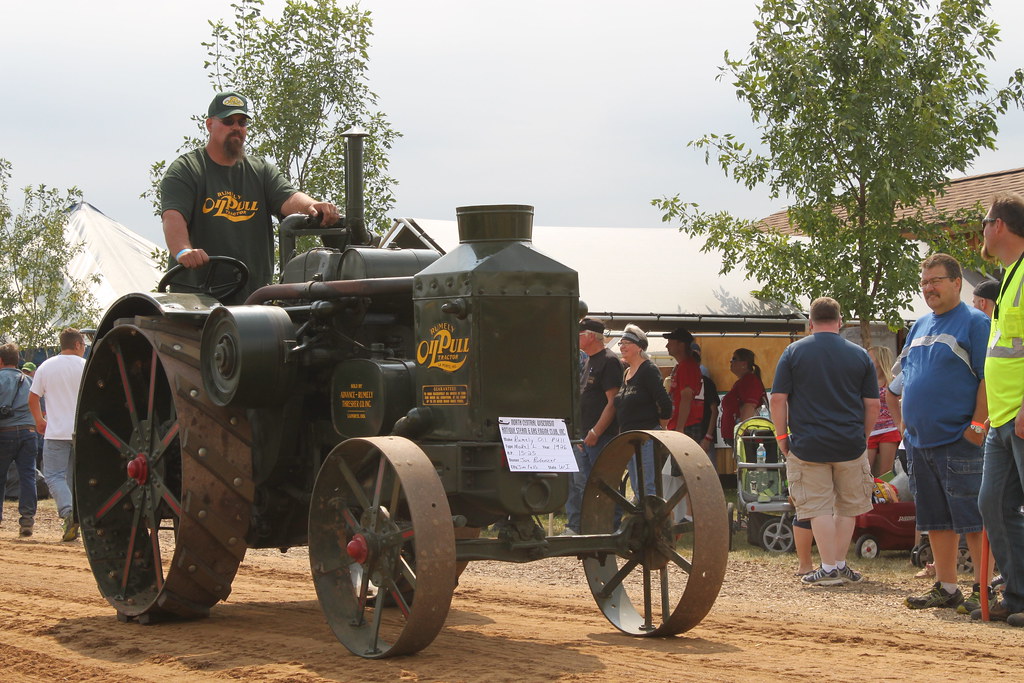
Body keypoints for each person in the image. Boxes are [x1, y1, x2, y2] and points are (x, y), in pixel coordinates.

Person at [160, 91, 340, 304]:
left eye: (242, 122)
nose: (236, 127)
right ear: (209, 125)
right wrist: (184, 251)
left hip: (252, 298)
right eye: (228, 121)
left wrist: (313, 206)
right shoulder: (187, 169)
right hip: (195, 299)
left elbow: (289, 197)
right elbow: (173, 216)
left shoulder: (260, 171)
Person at [888, 253, 990, 610]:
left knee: (973, 520)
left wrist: (977, 427)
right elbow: (900, 383)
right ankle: (947, 588)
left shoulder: (975, 322)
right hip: (919, 442)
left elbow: (988, 378)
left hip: (959, 441)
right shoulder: (918, 326)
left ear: (957, 283)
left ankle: (983, 591)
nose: (928, 288)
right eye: (924, 282)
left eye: (936, 281)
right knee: (935, 520)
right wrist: (904, 425)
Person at [770, 297, 879, 586]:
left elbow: (778, 399)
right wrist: (864, 437)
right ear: (840, 321)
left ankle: (828, 568)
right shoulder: (860, 355)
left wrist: (782, 437)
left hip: (808, 445)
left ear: (810, 323)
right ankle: (840, 565)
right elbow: (872, 405)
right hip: (850, 444)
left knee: (817, 507)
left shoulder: (793, 352)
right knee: (847, 507)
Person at [975, 193, 1024, 626]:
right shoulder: (1009, 274)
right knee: (992, 503)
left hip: (1022, 414)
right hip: (1004, 417)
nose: (982, 230)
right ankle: (1018, 594)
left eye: (985, 222)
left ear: (1001, 226)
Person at [563, 318, 622, 536]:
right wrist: (582, 433)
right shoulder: (589, 361)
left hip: (601, 436)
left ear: (590, 335)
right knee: (579, 483)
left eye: (578, 334)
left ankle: (611, 527)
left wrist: (596, 431)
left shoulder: (609, 361)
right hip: (584, 436)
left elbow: (612, 402)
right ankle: (579, 526)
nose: (576, 338)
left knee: (605, 483)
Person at [28, 328, 87, 542]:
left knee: (54, 476)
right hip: (82, 433)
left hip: (56, 431)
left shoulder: (46, 366)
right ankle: (79, 519)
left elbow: (33, 398)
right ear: (78, 344)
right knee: (75, 478)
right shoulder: (86, 366)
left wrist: (39, 421)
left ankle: (68, 513)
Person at [614, 325, 672, 498]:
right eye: (621, 343)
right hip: (629, 437)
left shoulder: (648, 369)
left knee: (647, 487)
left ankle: (652, 522)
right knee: (637, 486)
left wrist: (659, 428)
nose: (622, 347)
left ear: (639, 347)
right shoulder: (626, 373)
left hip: (646, 436)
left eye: (627, 343)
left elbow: (665, 403)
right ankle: (640, 521)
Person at [0, 343, 38, 537]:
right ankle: (27, 521)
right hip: (29, 432)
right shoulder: (30, 381)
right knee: (28, 476)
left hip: (4, 432)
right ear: (18, 360)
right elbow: (39, 407)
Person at [663, 327, 704, 443]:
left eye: (670, 342)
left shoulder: (687, 366)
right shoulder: (683, 366)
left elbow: (686, 397)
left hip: (686, 426)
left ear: (681, 345)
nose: (667, 346)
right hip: (683, 425)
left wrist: (680, 428)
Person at [866, 346, 901, 477]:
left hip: (889, 429)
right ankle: (868, 497)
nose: (867, 359)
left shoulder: (892, 380)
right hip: (870, 429)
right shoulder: (865, 380)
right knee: (866, 471)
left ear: (880, 360)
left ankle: (885, 497)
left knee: (885, 473)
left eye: (870, 357)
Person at [721, 348, 766, 444]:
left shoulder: (750, 381)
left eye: (734, 359)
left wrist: (740, 433)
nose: (731, 362)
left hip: (748, 440)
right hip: (741, 438)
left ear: (744, 364)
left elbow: (749, 406)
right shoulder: (742, 381)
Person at [693, 342, 721, 456]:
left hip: (703, 436)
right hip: (687, 438)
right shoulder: (681, 383)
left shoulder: (707, 382)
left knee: (708, 471)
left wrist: (708, 437)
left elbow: (715, 410)